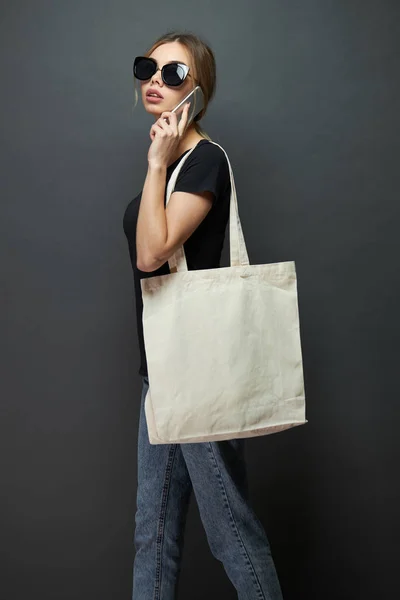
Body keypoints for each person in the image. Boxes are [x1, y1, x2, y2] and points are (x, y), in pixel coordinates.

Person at [123, 31, 284, 600]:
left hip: (199, 372)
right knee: (153, 535)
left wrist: (154, 163)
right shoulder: (170, 165)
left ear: (197, 91)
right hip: (160, 374)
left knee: (232, 535)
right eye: (149, 68)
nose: (155, 82)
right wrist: (156, 165)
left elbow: (151, 252)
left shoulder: (204, 161)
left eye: (173, 74)